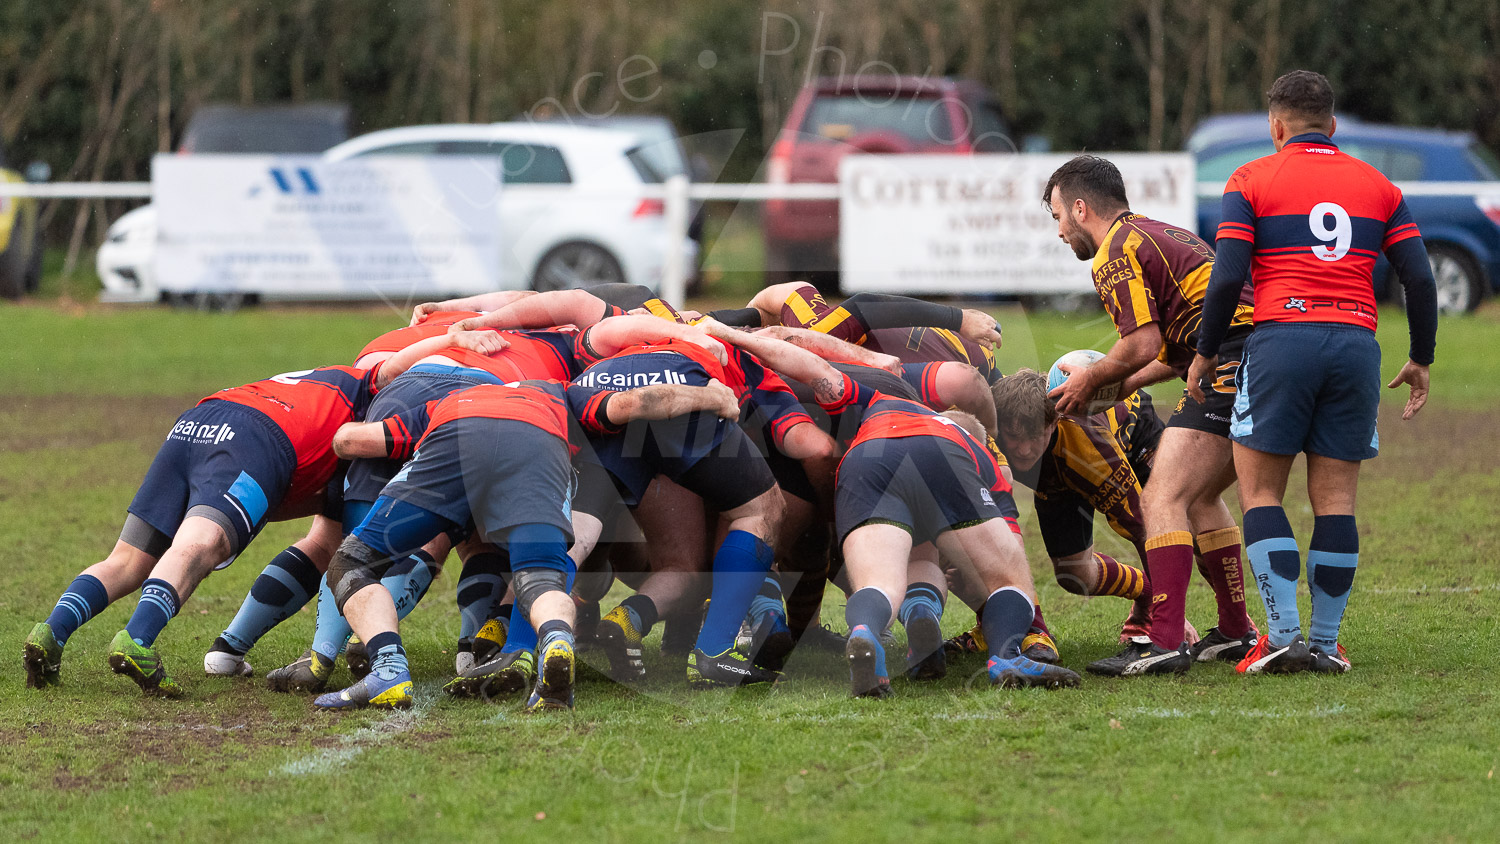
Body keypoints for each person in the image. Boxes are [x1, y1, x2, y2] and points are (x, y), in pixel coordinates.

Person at [21, 330, 502, 696]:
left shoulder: (325, 384)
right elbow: (396, 368)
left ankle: (50, 632)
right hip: (257, 439)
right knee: (201, 544)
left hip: (199, 419)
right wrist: (455, 338)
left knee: (128, 557)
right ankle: (138, 641)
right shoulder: (371, 391)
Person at [1187, 70, 1437, 675]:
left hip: (1280, 343)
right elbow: (1421, 279)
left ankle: (1281, 637)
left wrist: (1205, 349)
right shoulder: (1378, 185)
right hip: (1357, 343)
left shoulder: (1250, 179)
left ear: (1276, 126)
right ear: (1332, 125)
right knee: (1336, 502)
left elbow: (1225, 277)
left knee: (1261, 492)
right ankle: (1325, 643)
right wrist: (1421, 356)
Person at [698, 321, 1080, 696]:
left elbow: (815, 369)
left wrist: (731, 336)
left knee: (879, 584)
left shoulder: (881, 399)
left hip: (866, 458)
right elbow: (1004, 557)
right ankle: (1005, 657)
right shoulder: (978, 454)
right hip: (943, 456)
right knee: (1009, 578)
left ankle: (865, 632)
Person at [314, 377, 742, 710]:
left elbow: (351, 441)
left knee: (352, 561)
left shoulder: (449, 399)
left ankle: (388, 669)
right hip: (539, 442)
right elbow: (637, 403)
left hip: (458, 431)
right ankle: (556, 641)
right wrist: (712, 397)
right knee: (540, 578)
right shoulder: (562, 394)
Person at [1041, 154, 1259, 676]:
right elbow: (1167, 351)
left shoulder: (1113, 252)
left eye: (1057, 219)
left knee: (1163, 496)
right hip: (1256, 353)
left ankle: (1163, 639)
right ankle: (1235, 630)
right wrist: (1118, 387)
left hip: (1232, 357)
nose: (1060, 233)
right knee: (1201, 496)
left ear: (1079, 207)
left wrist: (1092, 378)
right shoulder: (1162, 233)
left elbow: (1141, 341)